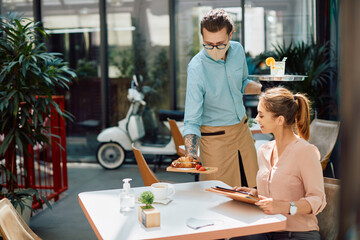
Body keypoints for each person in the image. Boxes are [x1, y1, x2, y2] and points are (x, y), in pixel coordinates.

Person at [183, 8, 262, 188]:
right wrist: (191, 154)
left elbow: (241, 83)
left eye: (220, 44)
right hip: (215, 140)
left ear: (230, 34)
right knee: (220, 196)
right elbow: (192, 120)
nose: (214, 49)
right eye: (208, 44)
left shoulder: (238, 50)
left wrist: (264, 89)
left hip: (242, 132)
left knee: (253, 189)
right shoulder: (196, 68)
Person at [234, 87, 326, 240]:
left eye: (261, 115)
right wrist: (253, 194)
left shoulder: (306, 152)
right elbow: (276, 193)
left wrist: (285, 207)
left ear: (280, 120)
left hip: (297, 233)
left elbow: (318, 200)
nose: (257, 119)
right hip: (267, 228)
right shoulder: (264, 150)